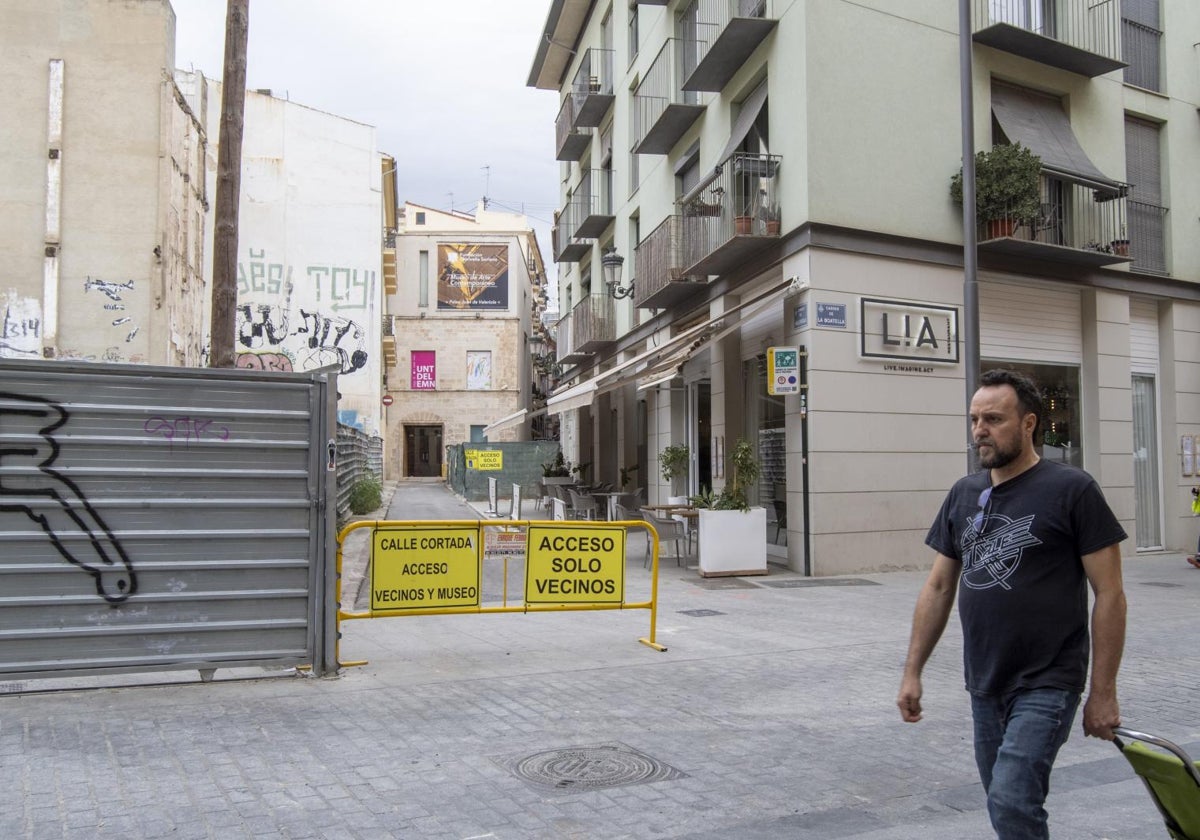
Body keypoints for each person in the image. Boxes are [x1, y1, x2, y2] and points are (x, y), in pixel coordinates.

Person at [897, 369, 1127, 840]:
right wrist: (912, 670)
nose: (980, 429)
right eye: (975, 419)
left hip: (1048, 679)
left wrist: (1103, 691)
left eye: (994, 419)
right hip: (984, 681)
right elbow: (939, 587)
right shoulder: (964, 493)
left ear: (1028, 424)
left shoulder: (1072, 489)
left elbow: (1111, 594)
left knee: (1012, 798)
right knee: (1005, 804)